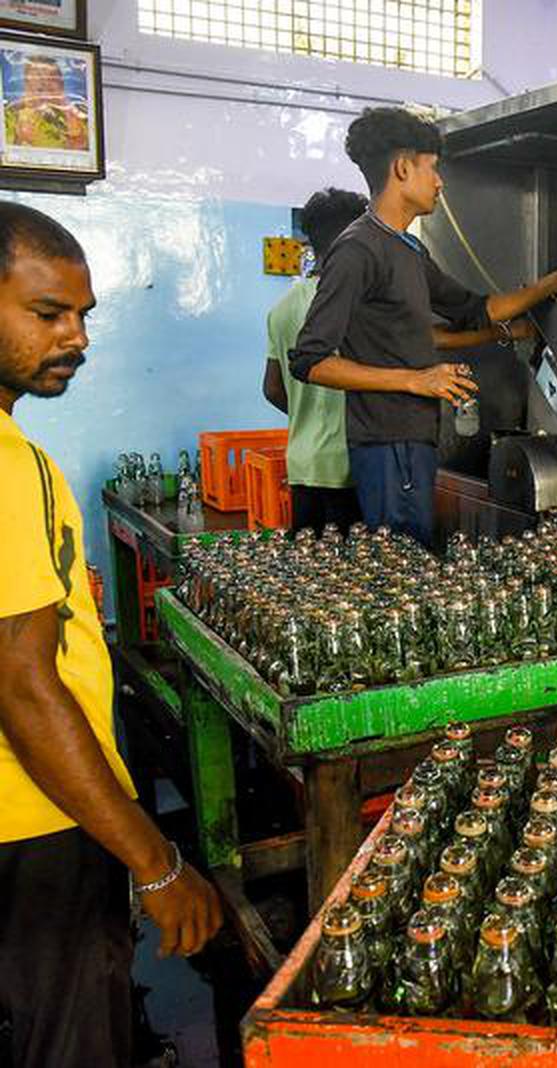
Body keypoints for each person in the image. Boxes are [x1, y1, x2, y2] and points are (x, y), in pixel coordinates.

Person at [0, 203, 222, 1068]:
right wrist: (157, 863)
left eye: (84, 315)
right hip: (36, 822)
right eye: (47, 312)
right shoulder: (10, 467)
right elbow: (22, 685)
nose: (78, 337)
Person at [289, 106, 557, 546]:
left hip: (414, 441)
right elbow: (309, 360)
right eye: (432, 168)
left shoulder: (407, 251)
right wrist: (417, 380)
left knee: (408, 559)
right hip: (386, 444)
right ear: (402, 168)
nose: (440, 181)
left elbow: (475, 309)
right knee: (401, 568)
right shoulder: (357, 250)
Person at [263, 187, 368, 534]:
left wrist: (308, 415)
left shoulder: (282, 308)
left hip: (303, 464)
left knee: (313, 573)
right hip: (347, 468)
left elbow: (273, 389)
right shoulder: (352, 304)